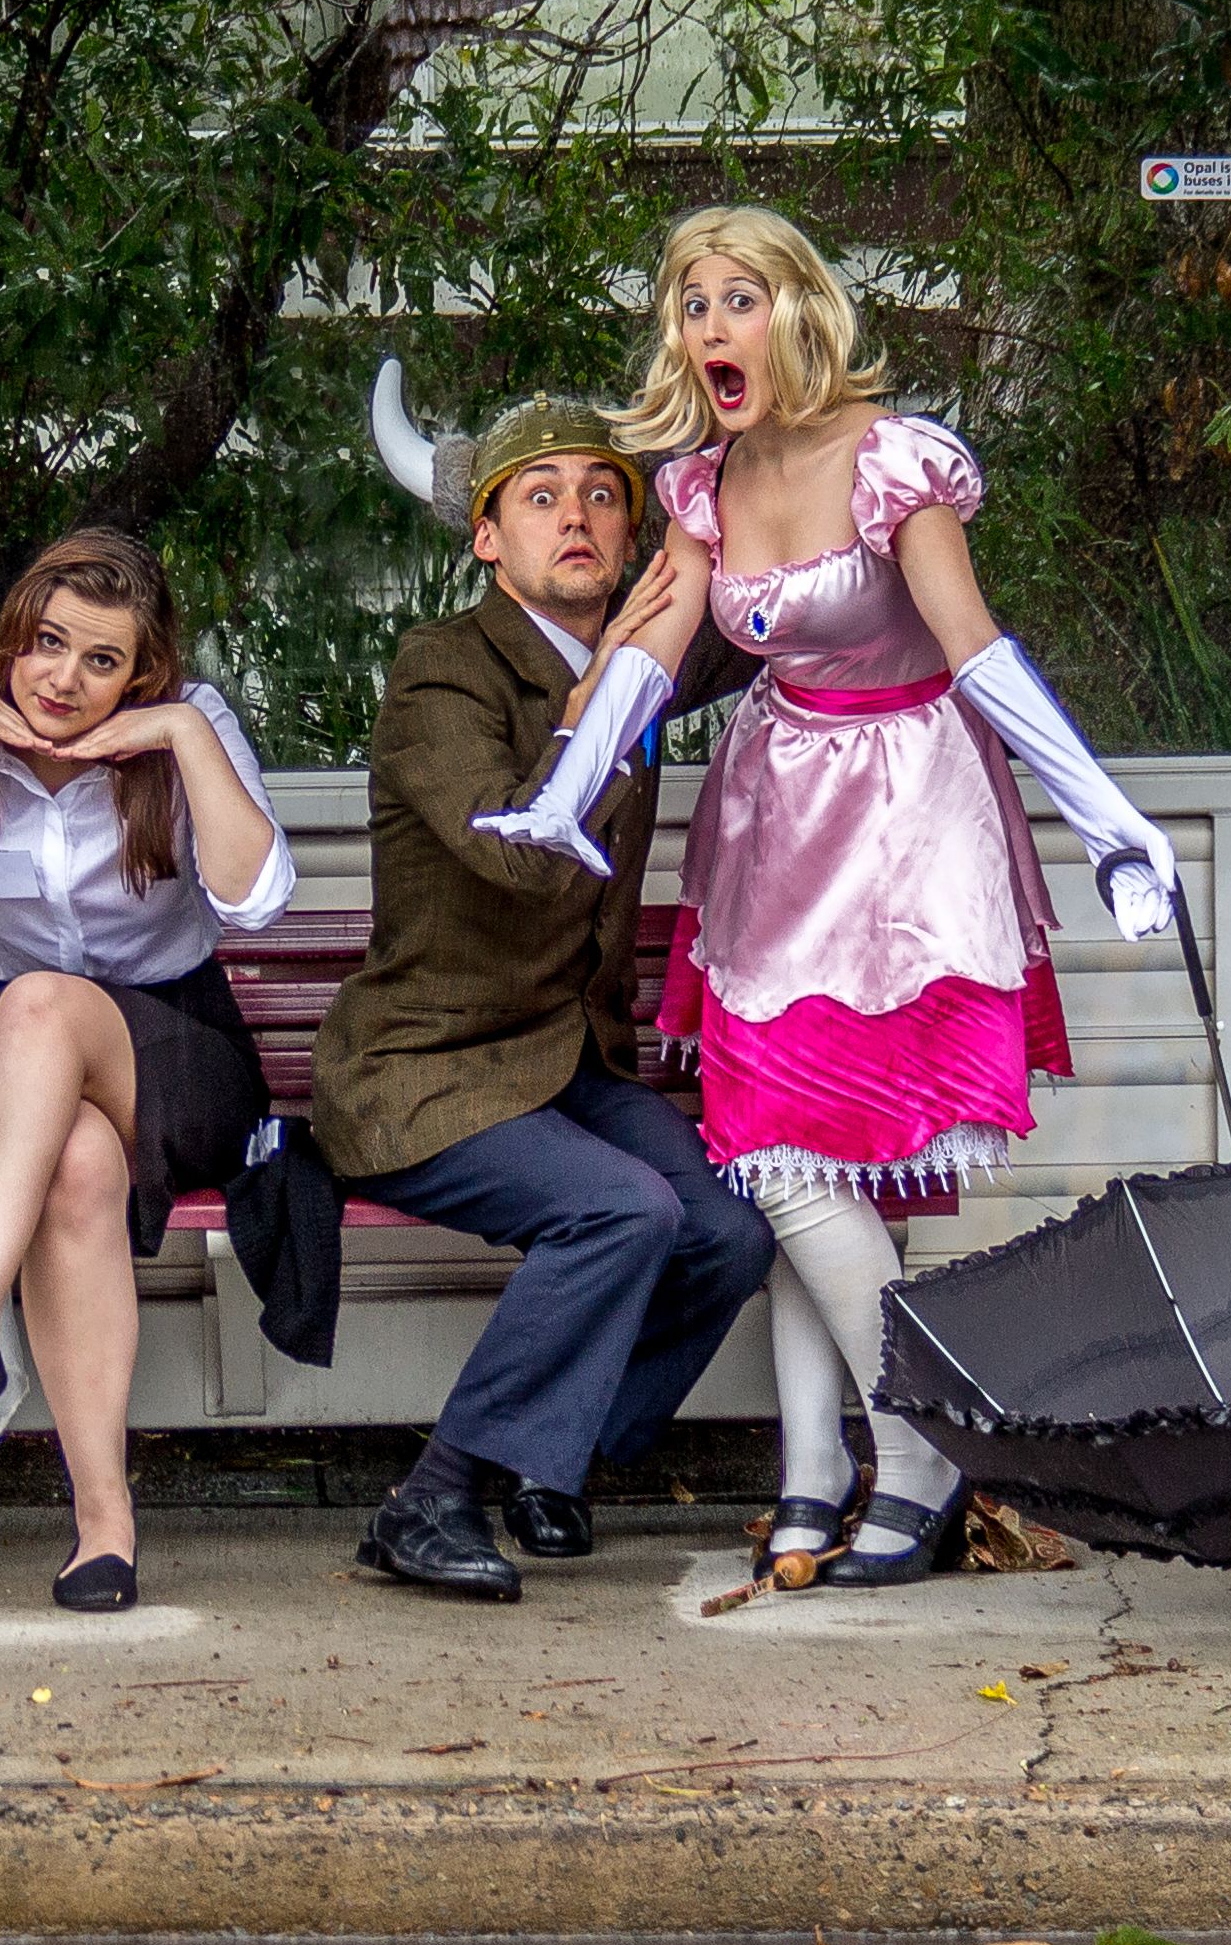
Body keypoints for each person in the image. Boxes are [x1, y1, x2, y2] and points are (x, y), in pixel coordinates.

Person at [480, 203, 1174, 1587]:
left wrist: (1109, 824)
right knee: (784, 1158)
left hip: (909, 829)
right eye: (690, 304)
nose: (709, 328)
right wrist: (567, 789)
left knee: (806, 1168)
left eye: (736, 297)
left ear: (799, 310)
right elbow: (650, 653)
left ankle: (914, 1452)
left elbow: (975, 653)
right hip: (774, 830)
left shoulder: (893, 464)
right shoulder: (699, 486)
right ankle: (814, 1480)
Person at [317, 375, 778, 1602]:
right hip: (425, 1075)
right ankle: (429, 1498)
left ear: (634, 537)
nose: (573, 515)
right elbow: (517, 858)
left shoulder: (647, 656)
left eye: (599, 497)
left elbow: (788, 584)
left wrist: (765, 438)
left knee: (727, 1228)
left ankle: (554, 1465)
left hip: (564, 1068)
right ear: (485, 537)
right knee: (623, 1214)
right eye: (537, 497)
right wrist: (604, 697)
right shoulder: (439, 672)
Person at [0, 530, 293, 1612]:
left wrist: (177, 731)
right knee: (74, 1161)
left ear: (139, 674)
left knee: (43, 1007)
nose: (62, 680)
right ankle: (102, 1523)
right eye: (46, 645)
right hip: (1, 1069)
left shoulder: (186, 731)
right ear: (13, 640)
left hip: (171, 1056)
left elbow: (256, 895)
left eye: (100, 661)